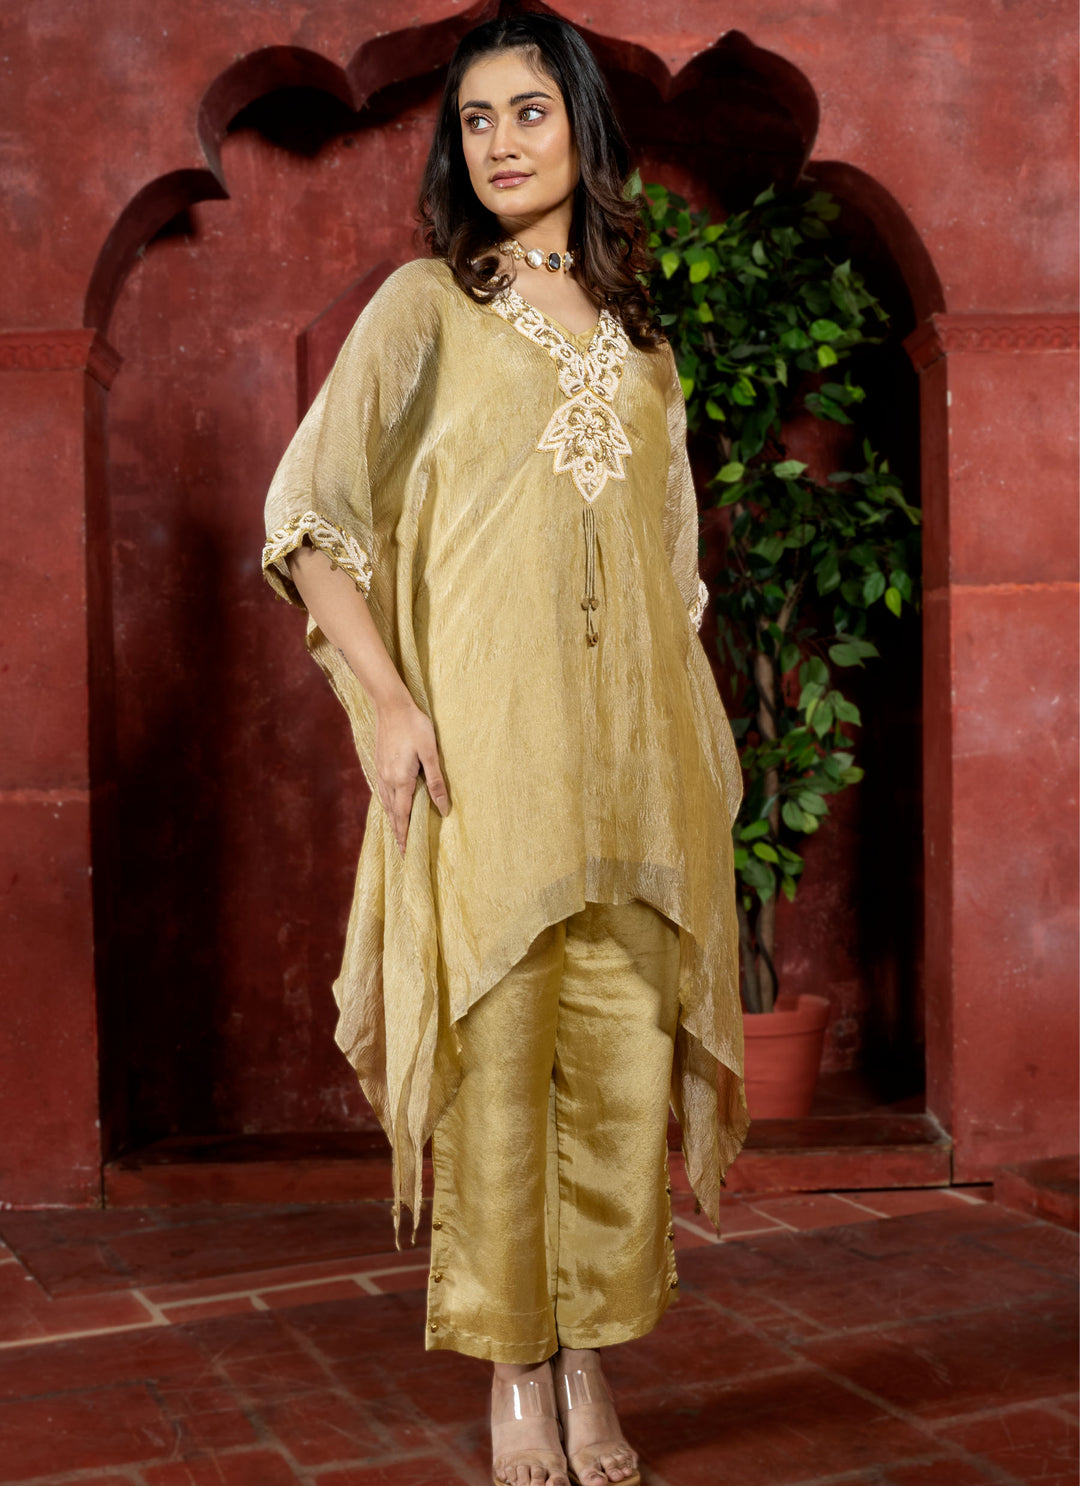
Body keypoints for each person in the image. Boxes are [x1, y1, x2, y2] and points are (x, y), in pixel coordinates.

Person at [261, 13, 748, 1486]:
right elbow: (309, 515)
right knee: (500, 1064)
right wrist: (396, 707)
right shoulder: (425, 306)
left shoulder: (645, 338)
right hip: (489, 757)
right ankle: (515, 1377)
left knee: (614, 1071)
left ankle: (588, 1350)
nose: (503, 141)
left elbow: (676, 575)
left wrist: (699, 751)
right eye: (476, 122)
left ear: (580, 129)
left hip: (638, 763)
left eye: (529, 111)